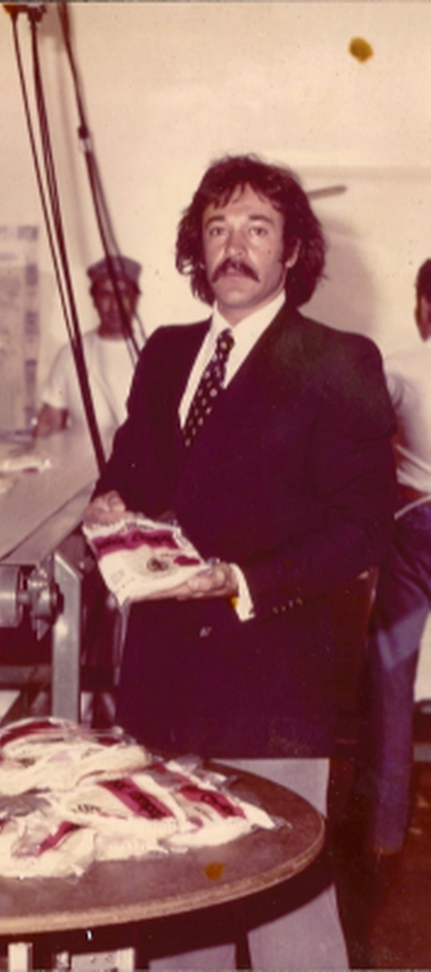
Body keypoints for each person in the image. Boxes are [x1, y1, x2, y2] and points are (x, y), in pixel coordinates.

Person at [83, 155, 395, 968]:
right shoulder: (165, 353)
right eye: (218, 228)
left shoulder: (339, 361)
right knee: (184, 909)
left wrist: (240, 581)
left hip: (274, 684)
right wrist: (111, 500)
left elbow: (363, 529)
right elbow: (133, 469)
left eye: (259, 228)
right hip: (160, 685)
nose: (235, 246)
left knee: (291, 921)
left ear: (293, 253)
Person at [360, 258, 431, 858]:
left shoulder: (400, 368)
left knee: (390, 681)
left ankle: (384, 835)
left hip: (416, 531)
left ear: (423, 306)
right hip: (415, 528)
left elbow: (362, 443)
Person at [35, 254, 142, 446]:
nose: (115, 305)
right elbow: (48, 425)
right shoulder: (71, 355)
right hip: (81, 473)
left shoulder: (156, 355)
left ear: (134, 298)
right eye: (106, 295)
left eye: (123, 294)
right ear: (94, 300)